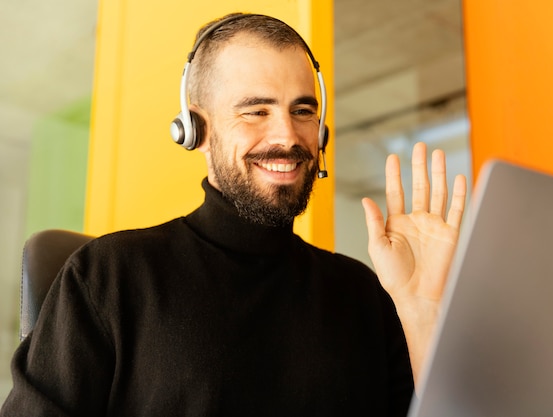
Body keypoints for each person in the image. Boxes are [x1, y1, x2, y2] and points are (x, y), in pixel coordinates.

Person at [1, 12, 466, 417]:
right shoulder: (109, 276)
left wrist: (421, 313)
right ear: (195, 129)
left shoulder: (363, 293)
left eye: (302, 110)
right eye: (256, 111)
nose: (287, 135)